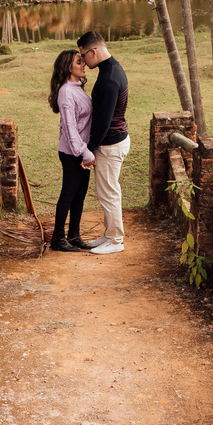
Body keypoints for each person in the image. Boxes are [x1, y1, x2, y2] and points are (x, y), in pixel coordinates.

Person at [77, 30, 129, 256]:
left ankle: (116, 240)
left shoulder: (109, 78)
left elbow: (103, 122)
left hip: (110, 143)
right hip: (114, 140)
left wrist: (89, 149)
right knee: (107, 191)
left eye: (84, 56)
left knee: (108, 193)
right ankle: (109, 235)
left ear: (94, 51)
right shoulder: (112, 68)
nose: (84, 62)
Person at [48, 49, 95, 252]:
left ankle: (73, 235)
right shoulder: (66, 92)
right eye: (79, 62)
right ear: (69, 67)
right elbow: (69, 127)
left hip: (80, 151)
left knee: (79, 194)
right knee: (68, 195)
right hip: (71, 153)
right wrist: (83, 152)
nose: (83, 64)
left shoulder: (76, 88)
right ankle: (57, 238)